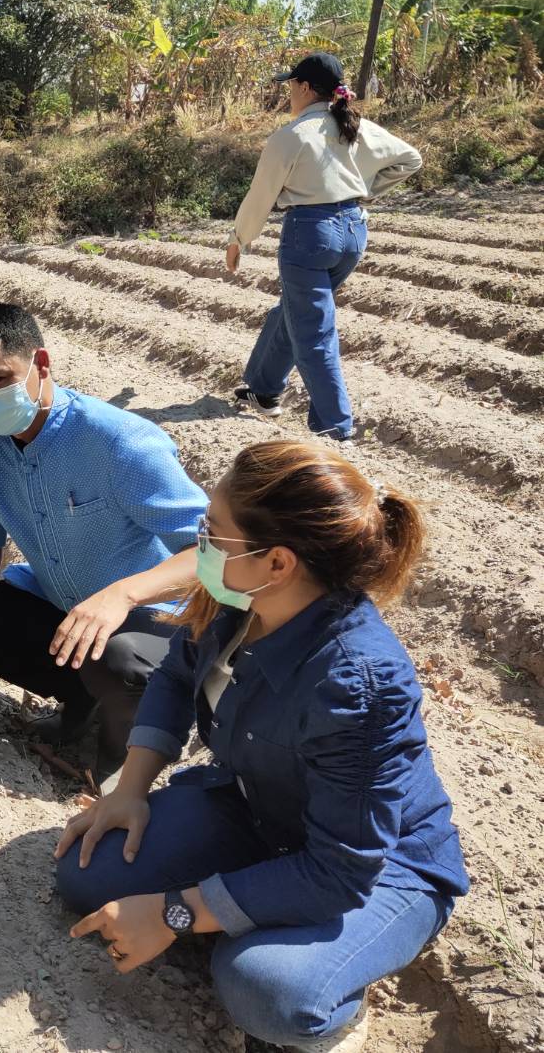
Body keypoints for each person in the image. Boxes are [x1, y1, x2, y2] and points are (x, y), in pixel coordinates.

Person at [54, 440, 467, 1053]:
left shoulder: (355, 683)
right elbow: (173, 675)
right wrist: (131, 789)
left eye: (213, 533)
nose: (200, 546)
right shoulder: (239, 602)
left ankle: (335, 1015)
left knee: (265, 991)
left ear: (277, 562)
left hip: (375, 868)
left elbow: (340, 868)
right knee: (89, 875)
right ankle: (239, 910)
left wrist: (173, 911)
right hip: (257, 808)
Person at [0, 304, 207, 786]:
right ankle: (83, 704)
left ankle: (120, 752)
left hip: (159, 622)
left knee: (121, 661)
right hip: (71, 610)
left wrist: (124, 595)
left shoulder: (119, 443)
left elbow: (215, 551)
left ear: (41, 365)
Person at [227, 52, 422, 442]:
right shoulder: (354, 126)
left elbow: (260, 195)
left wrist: (238, 241)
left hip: (310, 235)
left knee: (314, 332)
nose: (288, 94)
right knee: (295, 311)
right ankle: (263, 390)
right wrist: (364, 190)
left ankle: (335, 428)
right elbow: (409, 159)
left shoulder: (291, 136)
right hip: (352, 233)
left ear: (304, 87)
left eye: (290, 86)